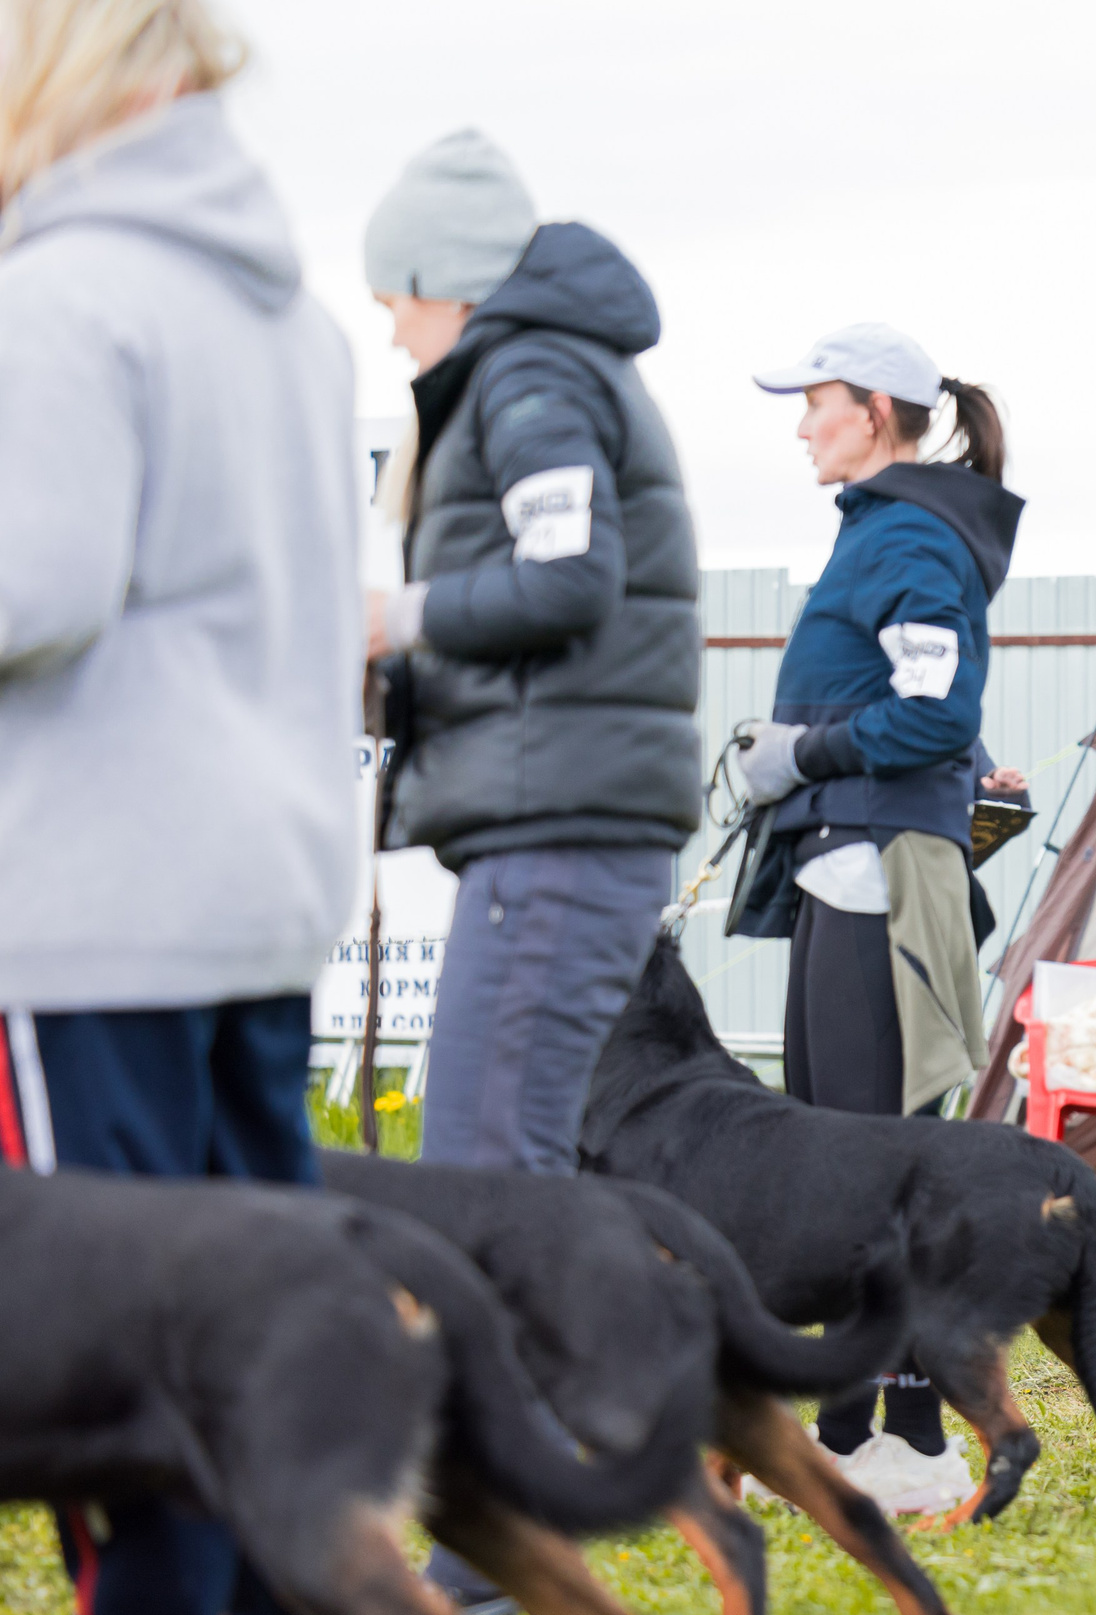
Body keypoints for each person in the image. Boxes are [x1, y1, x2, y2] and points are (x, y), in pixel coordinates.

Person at [0, 4, 374, 1615]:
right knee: (260, 1342)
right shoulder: (293, 321)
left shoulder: (65, 295)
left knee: (110, 1375)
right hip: (255, 891)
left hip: (91, 910)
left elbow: (33, 588)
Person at [362, 130, 702, 1179]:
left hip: (558, 841)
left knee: (488, 1175)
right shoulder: (547, 365)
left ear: (441, 281)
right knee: (509, 1166)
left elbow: (567, 577)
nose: (394, 340)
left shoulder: (529, 375)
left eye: (393, 309)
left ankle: (549, 1349)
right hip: (558, 831)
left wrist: (397, 618)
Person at [729, 322, 1021, 1516]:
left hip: (879, 876)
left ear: (882, 413)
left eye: (818, 402)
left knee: (877, 1166)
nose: (801, 422)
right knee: (830, 1162)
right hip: (835, 871)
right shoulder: (879, 532)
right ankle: (850, 1423)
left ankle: (915, 1433)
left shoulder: (909, 532)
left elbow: (935, 716)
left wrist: (800, 751)